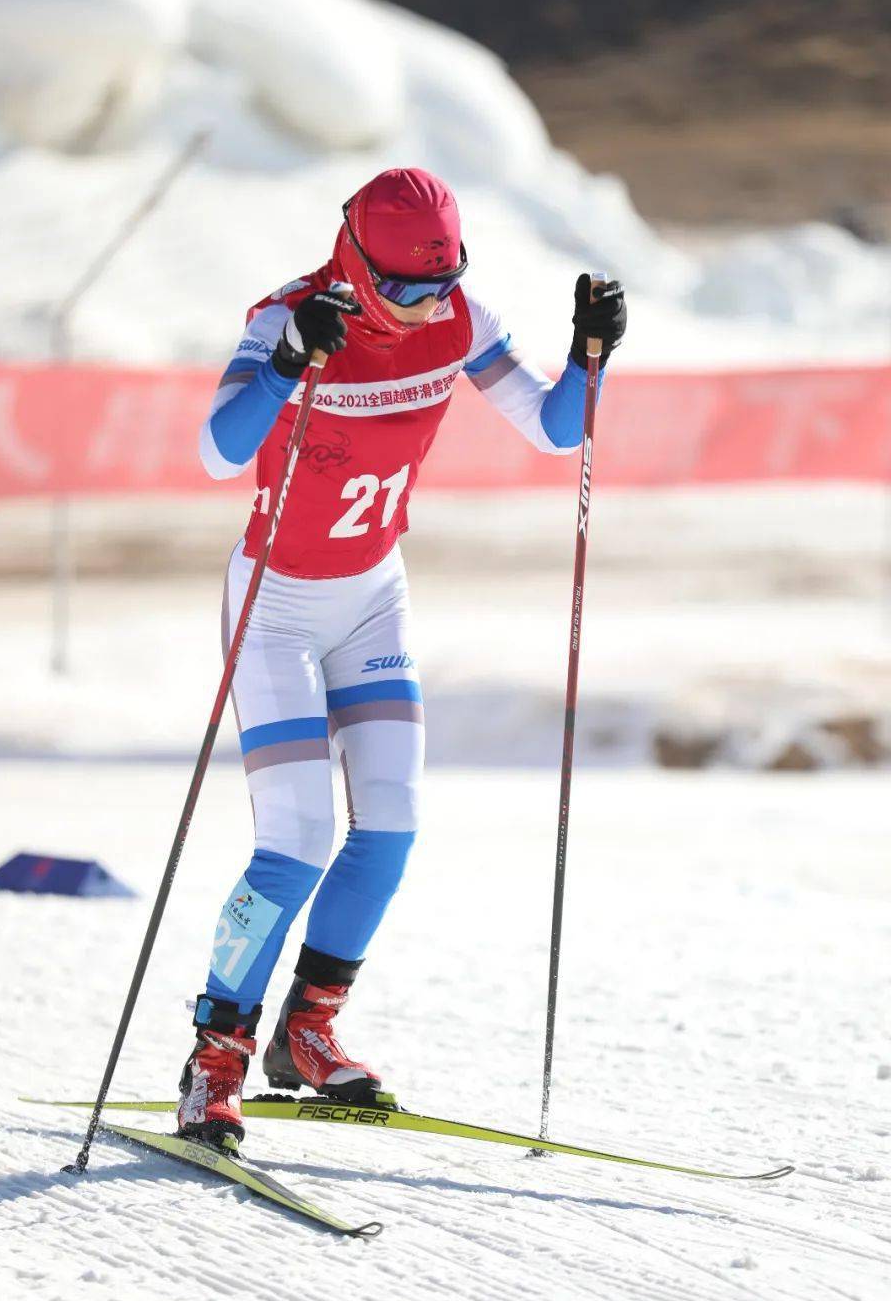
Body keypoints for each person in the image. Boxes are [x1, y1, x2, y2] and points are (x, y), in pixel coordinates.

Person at [177, 166, 627, 1150]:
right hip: (277, 609)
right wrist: (290, 365)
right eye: (409, 287)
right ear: (358, 258)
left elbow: (555, 429)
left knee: (389, 828)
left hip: (374, 598)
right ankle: (217, 1056)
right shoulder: (288, 316)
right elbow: (216, 452)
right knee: (294, 841)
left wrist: (590, 355)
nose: (429, 302)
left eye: (444, 280)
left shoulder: (458, 316)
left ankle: (308, 1031)